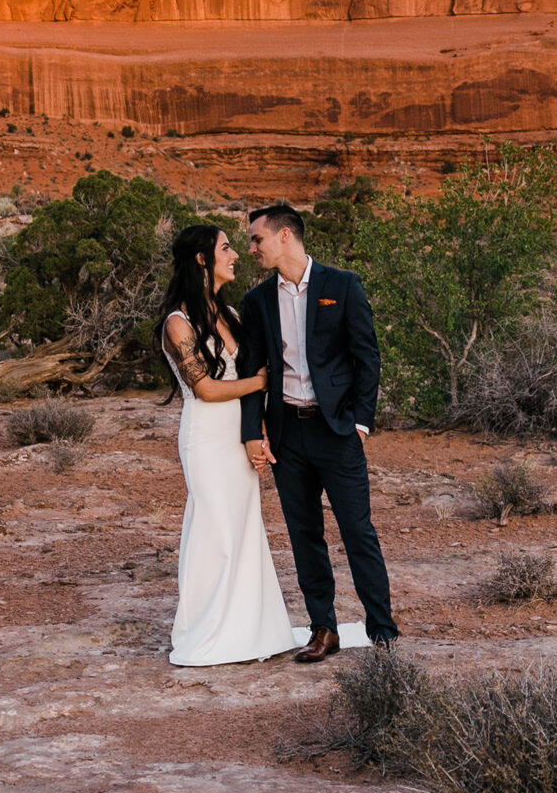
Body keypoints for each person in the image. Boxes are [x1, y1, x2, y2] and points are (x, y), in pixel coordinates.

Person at [239, 202, 397, 663]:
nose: (252, 248)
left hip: (337, 431)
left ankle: (382, 628)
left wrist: (361, 423)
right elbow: (254, 369)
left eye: (257, 239)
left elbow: (367, 357)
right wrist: (255, 432)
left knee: (357, 530)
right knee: (304, 534)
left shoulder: (342, 285)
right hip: (288, 434)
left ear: (285, 235)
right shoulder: (257, 301)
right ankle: (323, 629)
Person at [158, 224, 297, 666]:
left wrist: (255, 433)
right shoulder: (178, 323)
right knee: (215, 528)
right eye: (226, 248)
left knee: (243, 525)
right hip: (205, 438)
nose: (236, 254)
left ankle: (249, 626)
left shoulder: (228, 312)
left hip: (236, 434)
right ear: (202, 259)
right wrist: (260, 381)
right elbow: (206, 388)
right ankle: (207, 628)